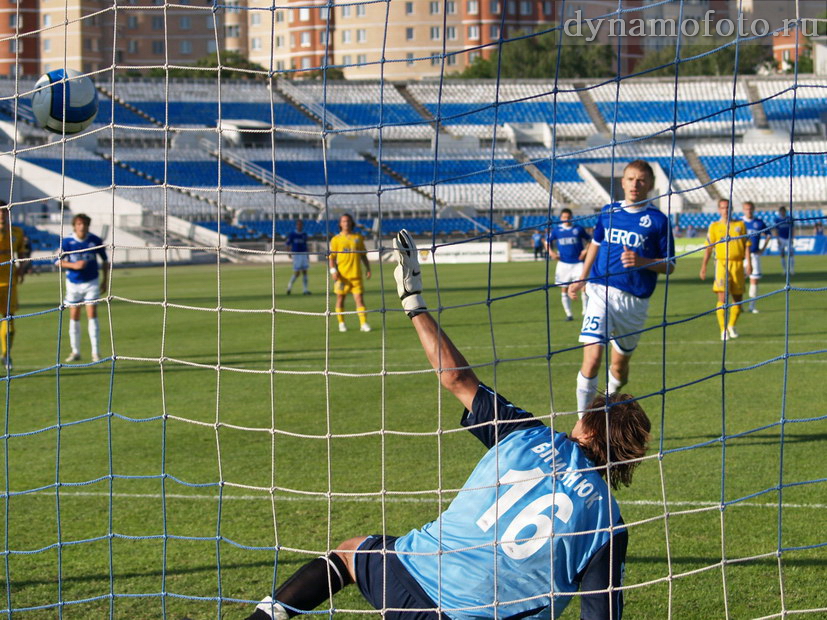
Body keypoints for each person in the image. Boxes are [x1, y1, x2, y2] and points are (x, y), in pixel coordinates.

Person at [244, 229, 652, 620]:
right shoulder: (609, 525)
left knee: (350, 554)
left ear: (589, 428)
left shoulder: (528, 434)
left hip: (412, 580)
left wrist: (414, 303)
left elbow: (457, 378)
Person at [567, 160, 675, 416]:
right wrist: (582, 277)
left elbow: (670, 265)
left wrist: (642, 262)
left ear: (650, 185)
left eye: (641, 180)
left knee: (619, 369)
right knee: (592, 359)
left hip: (634, 302)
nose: (635, 184)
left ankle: (611, 390)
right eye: (630, 179)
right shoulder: (608, 211)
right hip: (600, 290)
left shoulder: (658, 221)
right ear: (622, 182)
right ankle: (584, 425)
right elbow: (595, 243)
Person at [60, 213, 109, 363]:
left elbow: (105, 261)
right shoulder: (67, 241)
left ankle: (96, 352)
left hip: (91, 282)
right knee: (74, 316)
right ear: (74, 225)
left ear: (88, 225)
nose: (82, 227)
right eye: (79, 224)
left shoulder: (95, 240)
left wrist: (105, 280)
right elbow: (58, 262)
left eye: (85, 224)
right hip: (73, 284)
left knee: (92, 313)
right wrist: (73, 265)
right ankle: (75, 351)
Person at [699, 200, 751, 341]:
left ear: (732, 209)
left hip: (738, 265)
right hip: (721, 264)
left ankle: (731, 326)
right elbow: (709, 248)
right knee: (722, 298)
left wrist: (749, 263)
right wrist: (704, 266)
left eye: (728, 208)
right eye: (723, 208)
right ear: (719, 210)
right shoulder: (714, 227)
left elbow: (746, 245)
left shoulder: (740, 225)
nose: (725, 210)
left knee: (738, 300)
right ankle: (723, 329)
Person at [546, 208, 591, 321]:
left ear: (571, 218)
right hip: (563, 264)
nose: (566, 219)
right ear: (561, 218)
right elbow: (547, 242)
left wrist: (585, 251)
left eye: (568, 217)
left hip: (578, 263)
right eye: (564, 217)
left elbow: (590, 241)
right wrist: (551, 253)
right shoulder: (556, 230)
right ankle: (569, 314)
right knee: (564, 289)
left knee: (583, 287)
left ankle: (585, 311)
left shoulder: (578, 229)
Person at [329, 213, 371, 333]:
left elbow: (363, 255)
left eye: (348, 221)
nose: (346, 223)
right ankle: (341, 323)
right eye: (343, 221)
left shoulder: (358, 237)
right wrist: (333, 271)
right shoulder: (336, 239)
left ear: (351, 223)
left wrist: (368, 269)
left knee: (359, 299)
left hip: (356, 275)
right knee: (340, 298)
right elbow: (331, 258)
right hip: (342, 277)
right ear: (340, 224)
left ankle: (363, 323)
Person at [0, 205, 30, 371]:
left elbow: (22, 254)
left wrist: (22, 268)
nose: (1, 214)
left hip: (10, 283)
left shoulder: (17, 232)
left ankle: (6, 354)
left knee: (9, 320)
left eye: (4, 211)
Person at [741, 201, 770, 313]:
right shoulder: (739, 222)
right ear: (743, 210)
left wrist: (762, 249)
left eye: (751, 209)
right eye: (747, 209)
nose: (749, 211)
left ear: (754, 209)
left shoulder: (759, 222)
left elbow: (768, 235)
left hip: (754, 255)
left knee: (754, 280)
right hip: (742, 256)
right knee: (740, 281)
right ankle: (739, 305)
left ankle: (752, 306)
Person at [285, 219, 311, 296]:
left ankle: (305, 290)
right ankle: (289, 286)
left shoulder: (304, 234)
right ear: (296, 225)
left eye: (301, 224)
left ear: (302, 225)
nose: (299, 226)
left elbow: (306, 245)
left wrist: (307, 255)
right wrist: (289, 254)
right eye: (298, 224)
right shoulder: (292, 234)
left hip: (304, 254)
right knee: (297, 273)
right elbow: (287, 244)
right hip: (296, 255)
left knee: (305, 272)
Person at [773, 205, 794, 276]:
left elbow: (792, 228)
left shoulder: (789, 218)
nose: (782, 212)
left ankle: (792, 270)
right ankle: (784, 270)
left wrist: (792, 238)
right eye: (781, 211)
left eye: (783, 211)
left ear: (785, 211)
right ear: (779, 212)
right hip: (781, 238)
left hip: (788, 238)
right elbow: (776, 230)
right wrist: (777, 239)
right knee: (782, 255)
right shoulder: (777, 220)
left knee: (791, 254)